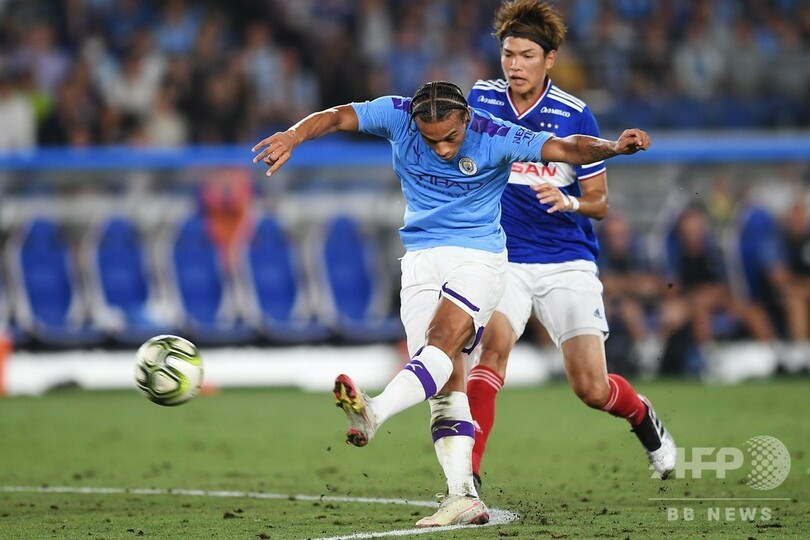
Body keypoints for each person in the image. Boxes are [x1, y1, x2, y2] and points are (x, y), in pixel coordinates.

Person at [252, 80, 650, 527]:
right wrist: (293, 136)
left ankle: (375, 411)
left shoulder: (496, 134)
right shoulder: (397, 115)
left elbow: (567, 148)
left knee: (442, 340)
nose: (441, 149)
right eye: (430, 139)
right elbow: (338, 116)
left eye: (450, 138)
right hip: (420, 259)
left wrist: (613, 148)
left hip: (479, 258)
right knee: (442, 384)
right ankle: (463, 495)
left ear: (466, 117)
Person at [465, 0, 676, 490]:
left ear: (550, 59)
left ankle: (641, 415)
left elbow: (600, 203)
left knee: (591, 388)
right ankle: (467, 477)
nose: (515, 65)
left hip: (565, 261)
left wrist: (570, 201)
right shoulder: (481, 99)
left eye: (526, 56)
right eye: (508, 55)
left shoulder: (574, 114)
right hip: (504, 258)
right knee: (490, 352)